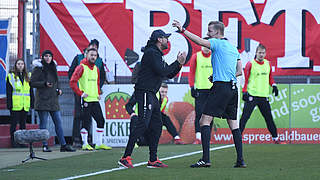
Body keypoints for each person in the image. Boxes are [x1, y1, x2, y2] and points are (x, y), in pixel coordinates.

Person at [173, 20, 245, 168]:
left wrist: (183, 30)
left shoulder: (217, 43)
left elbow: (199, 41)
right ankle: (240, 160)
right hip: (233, 88)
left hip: (221, 88)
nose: (207, 34)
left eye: (210, 31)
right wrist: (217, 75)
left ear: (217, 33)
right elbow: (239, 72)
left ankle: (205, 159)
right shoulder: (233, 49)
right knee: (234, 125)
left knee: (204, 121)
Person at [118, 29, 186, 168]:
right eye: (166, 38)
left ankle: (153, 160)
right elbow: (164, 71)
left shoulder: (157, 54)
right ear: (159, 39)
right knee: (143, 123)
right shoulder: (152, 53)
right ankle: (125, 157)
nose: (168, 41)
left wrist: (179, 64)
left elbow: (168, 74)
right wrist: (177, 62)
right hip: (144, 92)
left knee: (156, 125)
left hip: (151, 94)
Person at [30, 50, 75, 152]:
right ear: (42, 57)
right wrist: (44, 84)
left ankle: (63, 145)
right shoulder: (38, 68)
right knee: (43, 124)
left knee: (58, 123)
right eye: (46, 56)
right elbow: (32, 83)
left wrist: (59, 90)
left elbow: (56, 81)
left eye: (49, 56)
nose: (48, 58)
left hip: (53, 100)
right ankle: (44, 145)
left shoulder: (53, 67)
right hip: (42, 100)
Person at [240, 44, 285, 144]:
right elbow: (246, 80)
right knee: (245, 117)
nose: (261, 55)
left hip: (264, 96)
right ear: (256, 53)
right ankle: (237, 138)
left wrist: (274, 85)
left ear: (265, 53)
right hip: (252, 95)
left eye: (263, 53)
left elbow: (270, 78)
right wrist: (244, 92)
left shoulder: (268, 64)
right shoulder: (250, 64)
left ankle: (275, 138)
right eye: (259, 53)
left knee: (269, 118)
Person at [70, 48, 112, 151]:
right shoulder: (81, 67)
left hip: (94, 99)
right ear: (86, 55)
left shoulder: (96, 68)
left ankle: (99, 143)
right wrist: (81, 93)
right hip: (86, 100)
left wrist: (98, 93)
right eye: (91, 55)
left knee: (101, 120)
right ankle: (85, 143)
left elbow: (97, 83)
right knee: (86, 121)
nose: (93, 57)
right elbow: (72, 82)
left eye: (95, 55)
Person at [188, 37, 212, 144]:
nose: (206, 48)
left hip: (212, 90)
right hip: (200, 90)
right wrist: (192, 86)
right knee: (199, 114)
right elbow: (192, 72)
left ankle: (208, 137)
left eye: (208, 46)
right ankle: (198, 137)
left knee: (210, 114)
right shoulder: (196, 57)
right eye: (204, 46)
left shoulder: (214, 56)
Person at [6, 59, 34, 148]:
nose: (20, 65)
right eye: (18, 64)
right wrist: (9, 104)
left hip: (24, 105)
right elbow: (9, 92)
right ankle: (13, 142)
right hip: (15, 105)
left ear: (24, 65)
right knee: (14, 124)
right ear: (15, 65)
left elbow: (30, 91)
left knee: (23, 124)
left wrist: (32, 102)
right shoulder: (11, 76)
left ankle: (22, 142)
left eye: (22, 64)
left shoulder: (28, 76)